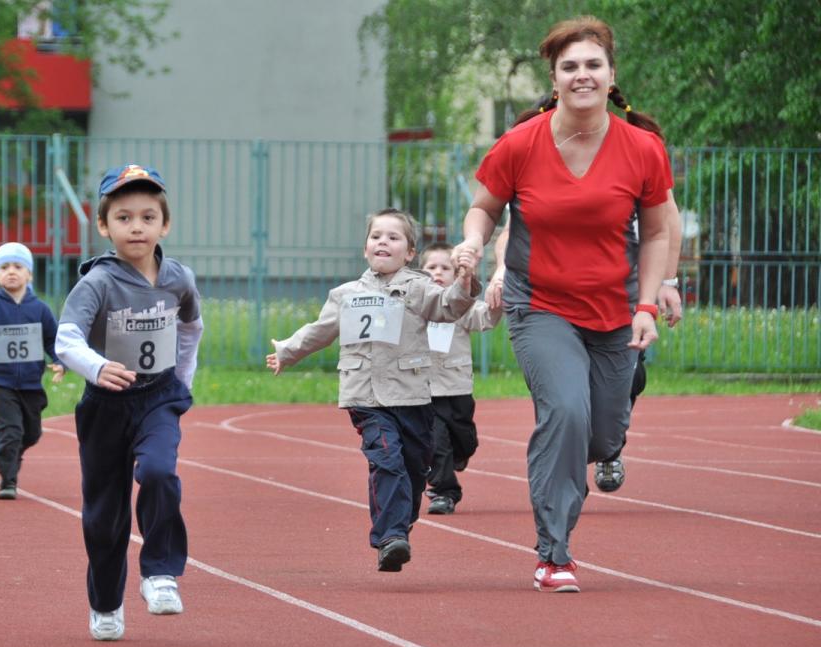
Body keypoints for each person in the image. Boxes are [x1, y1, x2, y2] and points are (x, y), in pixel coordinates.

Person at [452, 16, 674, 593]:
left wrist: (647, 305)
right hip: (539, 304)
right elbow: (484, 207)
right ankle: (554, 552)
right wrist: (474, 241)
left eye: (592, 65)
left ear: (610, 75)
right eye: (570, 67)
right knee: (565, 415)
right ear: (554, 80)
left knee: (600, 436)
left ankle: (620, 406)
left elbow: (655, 234)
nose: (582, 75)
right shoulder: (520, 144)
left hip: (616, 309)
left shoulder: (642, 149)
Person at [488, 95, 685, 495]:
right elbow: (511, 232)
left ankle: (608, 444)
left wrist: (667, 282)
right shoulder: (532, 156)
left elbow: (666, 225)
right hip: (551, 295)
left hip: (623, 289)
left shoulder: (637, 149)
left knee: (623, 383)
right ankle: (566, 443)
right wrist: (500, 271)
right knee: (565, 395)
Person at [267, 209, 478, 573]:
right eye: (376, 236)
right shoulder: (346, 294)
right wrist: (288, 351)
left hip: (411, 394)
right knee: (386, 459)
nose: (383, 242)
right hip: (366, 396)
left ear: (410, 252)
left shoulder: (419, 287)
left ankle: (401, 521)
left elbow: (448, 308)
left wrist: (463, 281)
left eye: (394, 237)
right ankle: (390, 536)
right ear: (365, 248)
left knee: (413, 469)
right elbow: (321, 330)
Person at [55, 164, 204, 641]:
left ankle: (160, 572)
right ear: (104, 226)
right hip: (106, 406)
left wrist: (182, 381)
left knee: (160, 472)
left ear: (165, 224)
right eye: (123, 217)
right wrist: (96, 368)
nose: (136, 227)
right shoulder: (97, 283)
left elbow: (190, 328)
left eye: (147, 216)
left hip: (158, 398)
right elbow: (65, 340)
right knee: (105, 515)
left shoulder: (179, 278)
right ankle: (105, 601)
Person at [0, 242, 64, 500]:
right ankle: (8, 480)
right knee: (11, 429)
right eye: (4, 267)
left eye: (18, 267)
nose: (11, 272)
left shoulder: (40, 308)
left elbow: (53, 338)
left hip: (31, 382)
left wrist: (60, 361)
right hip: (1, 381)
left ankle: (8, 449)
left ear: (29, 274)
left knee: (31, 432)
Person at [414, 242, 502, 515]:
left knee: (465, 440)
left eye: (445, 267)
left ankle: (460, 455)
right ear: (420, 273)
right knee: (436, 441)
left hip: (457, 387)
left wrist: (499, 300)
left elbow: (486, 318)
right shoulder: (415, 306)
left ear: (456, 274)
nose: (438, 272)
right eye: (431, 267)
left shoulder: (460, 307)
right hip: (425, 390)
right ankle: (444, 491)